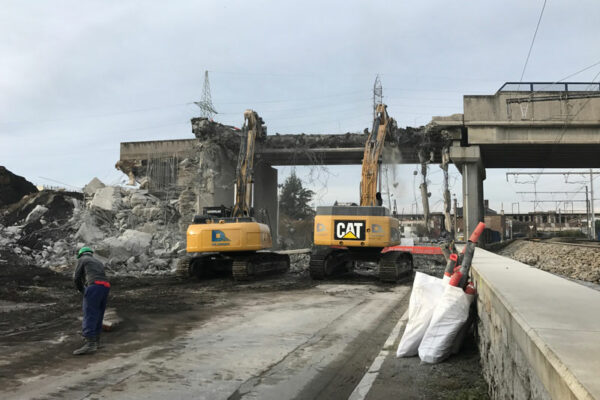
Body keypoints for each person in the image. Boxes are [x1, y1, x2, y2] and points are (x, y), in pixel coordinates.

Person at [72, 247, 110, 355]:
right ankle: (96, 341)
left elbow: (77, 278)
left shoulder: (82, 260)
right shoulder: (98, 262)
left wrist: (83, 290)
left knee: (90, 313)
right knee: (98, 312)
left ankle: (90, 343)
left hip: (94, 286)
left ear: (81, 254)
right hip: (105, 286)